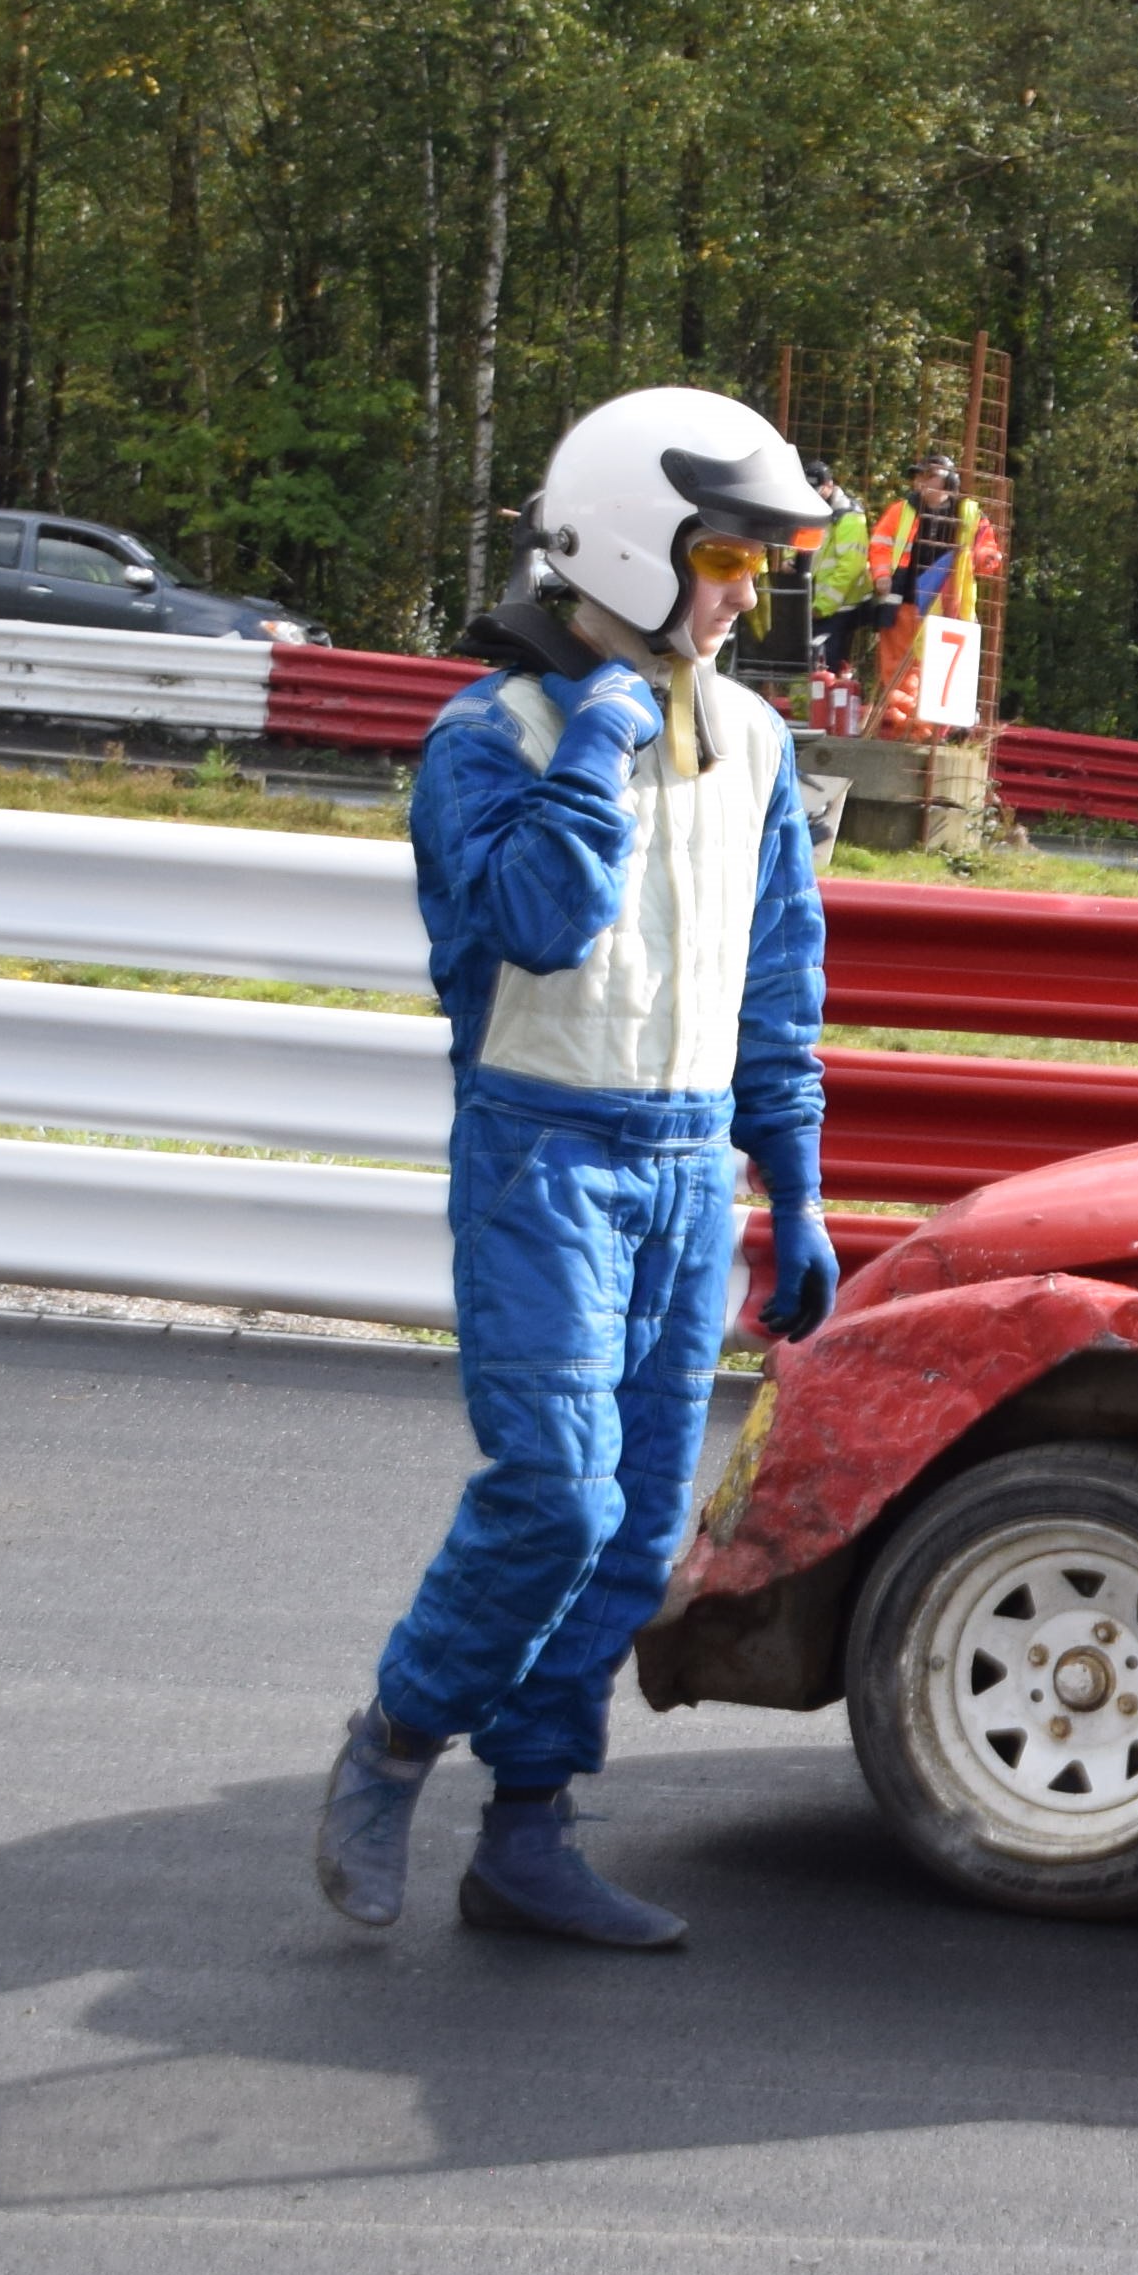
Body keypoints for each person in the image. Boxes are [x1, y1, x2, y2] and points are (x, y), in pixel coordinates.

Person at [312, 383, 847, 1950]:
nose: (748, 596)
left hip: (690, 1176)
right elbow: (543, 923)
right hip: (539, 1155)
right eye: (728, 559)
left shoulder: (754, 741)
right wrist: (603, 733)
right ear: (631, 544)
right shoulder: (490, 737)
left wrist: (797, 1182)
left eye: (758, 564)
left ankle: (528, 1834)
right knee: (554, 1491)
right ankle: (395, 1740)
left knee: (628, 1536)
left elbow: (778, 978)